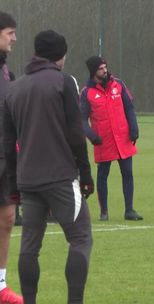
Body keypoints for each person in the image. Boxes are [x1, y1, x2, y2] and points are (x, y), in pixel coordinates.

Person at [3, 30, 94, 304]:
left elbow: (7, 143)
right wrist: (86, 172)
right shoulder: (64, 82)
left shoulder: (13, 88)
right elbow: (76, 133)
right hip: (60, 177)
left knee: (30, 245)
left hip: (27, 180)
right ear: (60, 55)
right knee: (80, 238)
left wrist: (14, 182)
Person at [80, 56, 142, 221]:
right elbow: (81, 120)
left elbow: (129, 107)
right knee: (102, 175)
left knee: (128, 173)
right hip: (103, 141)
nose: (105, 70)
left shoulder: (119, 85)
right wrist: (92, 136)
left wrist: (134, 128)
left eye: (105, 67)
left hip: (123, 138)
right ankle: (104, 212)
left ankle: (129, 210)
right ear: (94, 72)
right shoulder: (87, 93)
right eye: (101, 68)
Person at [0, 10, 22, 304]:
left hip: (6, 155)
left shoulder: (7, 71)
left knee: (7, 218)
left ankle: (0, 285)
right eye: (9, 33)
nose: (15, 38)